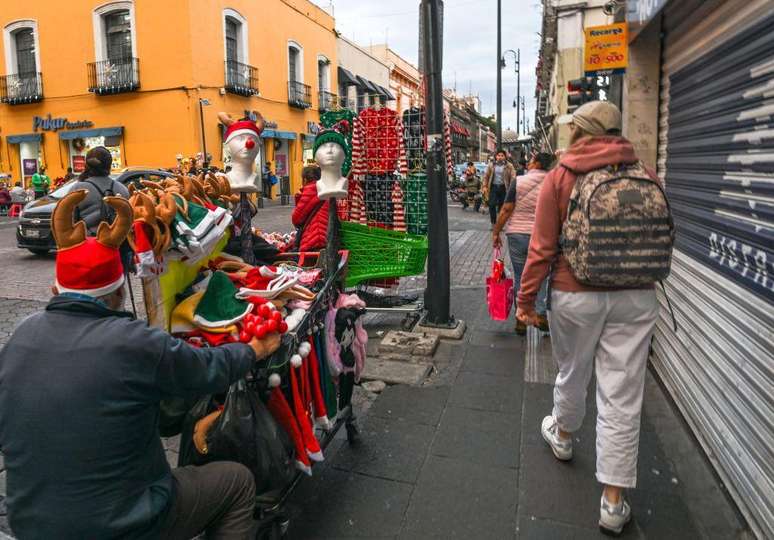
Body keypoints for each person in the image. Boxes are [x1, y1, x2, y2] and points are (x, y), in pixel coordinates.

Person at [0, 191, 282, 539]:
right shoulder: (133, 341)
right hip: (126, 524)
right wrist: (253, 349)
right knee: (237, 482)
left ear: (55, 290)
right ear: (119, 293)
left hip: (31, 525)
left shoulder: (21, 337)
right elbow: (210, 368)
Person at [516, 101, 660, 535]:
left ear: (579, 133)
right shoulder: (643, 172)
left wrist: (525, 300)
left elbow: (541, 248)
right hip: (636, 295)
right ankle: (613, 502)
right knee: (622, 391)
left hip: (574, 290)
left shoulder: (562, 176)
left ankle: (562, 434)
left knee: (573, 369)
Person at [492, 152, 553, 334]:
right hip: (543, 236)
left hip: (517, 234)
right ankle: (541, 315)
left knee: (521, 276)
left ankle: (521, 319)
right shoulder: (553, 183)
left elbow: (506, 209)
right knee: (542, 276)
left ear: (535, 163)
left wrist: (496, 232)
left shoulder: (519, 181)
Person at [71, 146, 130, 234]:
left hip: (86, 243)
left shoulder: (78, 189)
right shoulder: (123, 189)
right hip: (116, 244)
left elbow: (69, 222)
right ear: (109, 165)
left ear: (86, 165)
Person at [292, 164, 328, 252]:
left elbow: (296, 219)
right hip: (327, 237)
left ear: (305, 179)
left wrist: (298, 199)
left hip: (315, 239)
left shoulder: (310, 190)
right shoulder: (327, 190)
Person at [482, 149, 516, 228]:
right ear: (496, 156)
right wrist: (484, 186)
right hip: (493, 187)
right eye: (498, 155)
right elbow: (486, 176)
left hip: (504, 188)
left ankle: (501, 224)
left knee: (502, 207)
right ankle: (493, 222)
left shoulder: (509, 165)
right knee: (492, 205)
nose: (500, 157)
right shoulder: (491, 165)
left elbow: (513, 177)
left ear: (505, 157)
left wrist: (512, 187)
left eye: (502, 156)